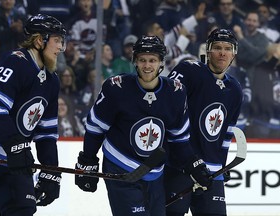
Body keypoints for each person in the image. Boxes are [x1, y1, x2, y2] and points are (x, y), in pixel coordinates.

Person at [74, 35, 212, 216]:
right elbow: (95, 128)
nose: (147, 66)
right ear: (135, 61)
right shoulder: (117, 88)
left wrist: (195, 165)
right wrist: (88, 161)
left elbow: (179, 141)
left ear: (161, 62)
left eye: (152, 60)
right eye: (142, 60)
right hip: (121, 167)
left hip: (154, 171)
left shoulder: (176, 92)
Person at [0, 14, 66, 215]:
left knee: (23, 210)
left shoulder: (52, 81)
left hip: (11, 159)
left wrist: (51, 171)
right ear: (39, 40)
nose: (60, 47)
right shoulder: (15, 62)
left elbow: (46, 133)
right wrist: (15, 145)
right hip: (7, 151)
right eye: (57, 40)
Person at [165, 28, 243, 216]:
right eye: (217, 47)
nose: (222, 52)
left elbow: (226, 133)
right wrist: (189, 161)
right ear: (208, 50)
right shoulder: (188, 71)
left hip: (211, 172)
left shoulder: (235, 89)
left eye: (227, 48)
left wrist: (221, 166)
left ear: (234, 53)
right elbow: (166, 111)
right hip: (179, 166)